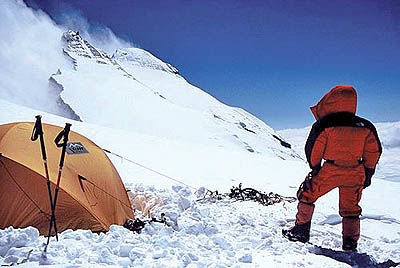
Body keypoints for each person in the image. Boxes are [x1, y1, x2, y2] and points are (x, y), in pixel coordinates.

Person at [282, 85, 382, 251]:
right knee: (351, 208)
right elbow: (374, 151)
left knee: (307, 195)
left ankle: (300, 232)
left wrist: (315, 169)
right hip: (355, 171)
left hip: (331, 169)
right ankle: (350, 243)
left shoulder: (324, 125)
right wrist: (367, 173)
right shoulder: (366, 126)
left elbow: (313, 149)